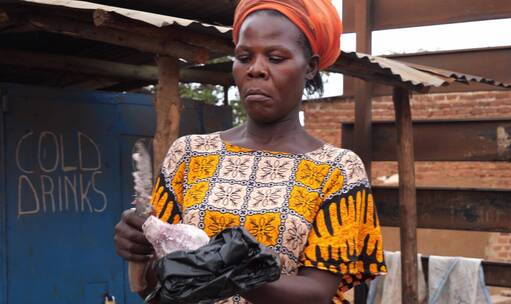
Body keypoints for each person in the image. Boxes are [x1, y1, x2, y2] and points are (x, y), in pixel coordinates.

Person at [114, 0, 386, 303]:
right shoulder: (190, 155)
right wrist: (138, 247)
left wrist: (230, 275)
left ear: (309, 67)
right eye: (244, 57)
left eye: (276, 57)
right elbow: (155, 284)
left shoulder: (337, 169)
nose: (256, 69)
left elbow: (317, 293)